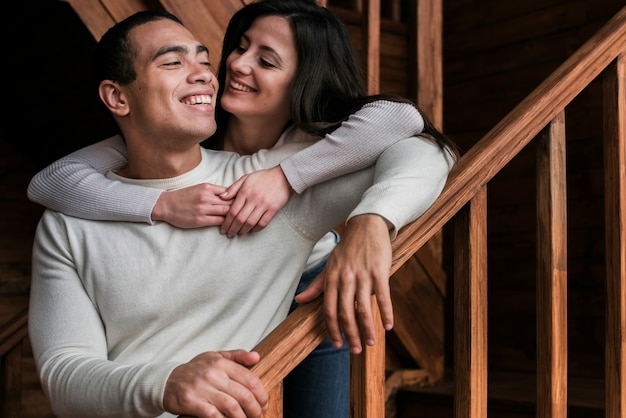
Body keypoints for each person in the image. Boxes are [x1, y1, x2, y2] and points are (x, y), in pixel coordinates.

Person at [27, 1, 459, 417]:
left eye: (201, 59)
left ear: (301, 83)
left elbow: (417, 141)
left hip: (307, 274)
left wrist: (371, 220)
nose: (217, 71)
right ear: (117, 98)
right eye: (174, 62)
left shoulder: (286, 167)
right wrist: (159, 203)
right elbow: (48, 182)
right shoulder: (70, 219)